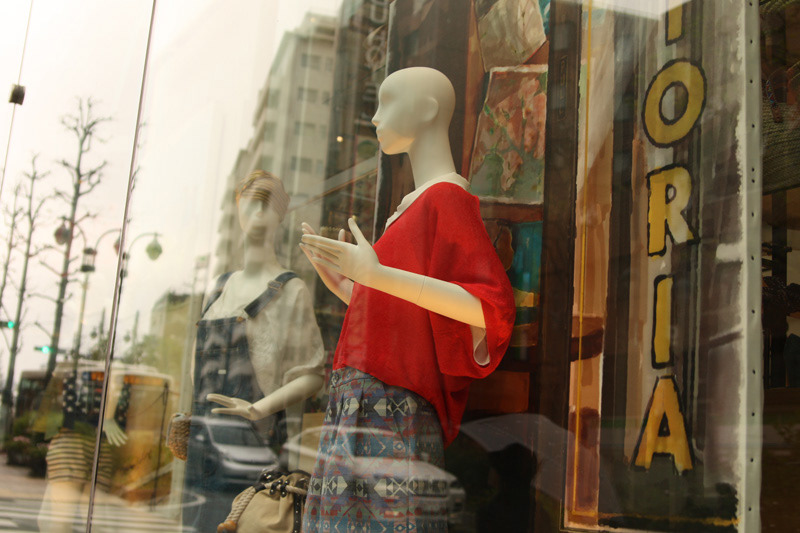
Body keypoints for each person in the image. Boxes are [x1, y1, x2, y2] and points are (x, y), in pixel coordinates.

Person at [299, 67, 516, 532]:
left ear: (428, 109)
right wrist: (346, 286)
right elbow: (402, 314)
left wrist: (376, 274)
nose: (376, 117)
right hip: (359, 399)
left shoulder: (446, 199)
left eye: (388, 101)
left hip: (391, 406)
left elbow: (489, 309)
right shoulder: (412, 207)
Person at [185, 171, 325, 528]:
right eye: (250, 200)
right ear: (237, 208)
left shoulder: (291, 290)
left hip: (256, 450)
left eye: (268, 202)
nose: (257, 210)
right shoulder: (218, 289)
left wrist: (257, 408)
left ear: (281, 214)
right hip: (202, 448)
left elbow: (313, 374)